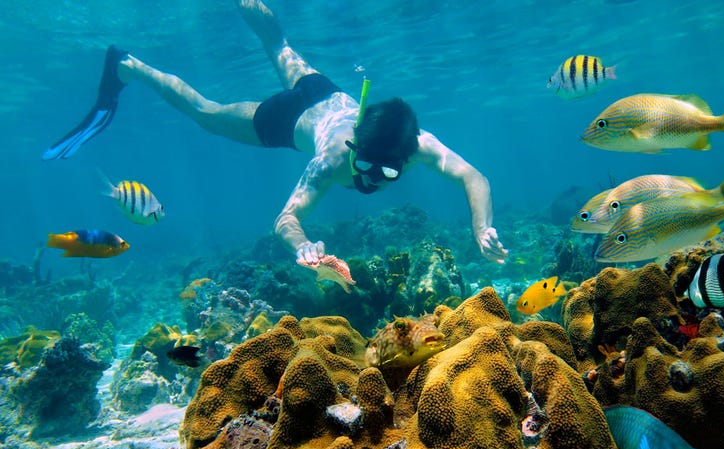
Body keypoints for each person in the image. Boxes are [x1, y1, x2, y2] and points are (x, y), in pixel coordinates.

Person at [43, 0, 508, 269]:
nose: (372, 177)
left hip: (324, 90)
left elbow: (475, 178)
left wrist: (481, 226)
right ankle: (128, 66)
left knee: (279, 43)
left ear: (407, 157)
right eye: (363, 163)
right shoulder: (331, 158)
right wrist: (301, 245)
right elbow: (286, 218)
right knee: (206, 113)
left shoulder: (418, 145)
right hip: (288, 120)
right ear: (355, 143)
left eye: (387, 171)